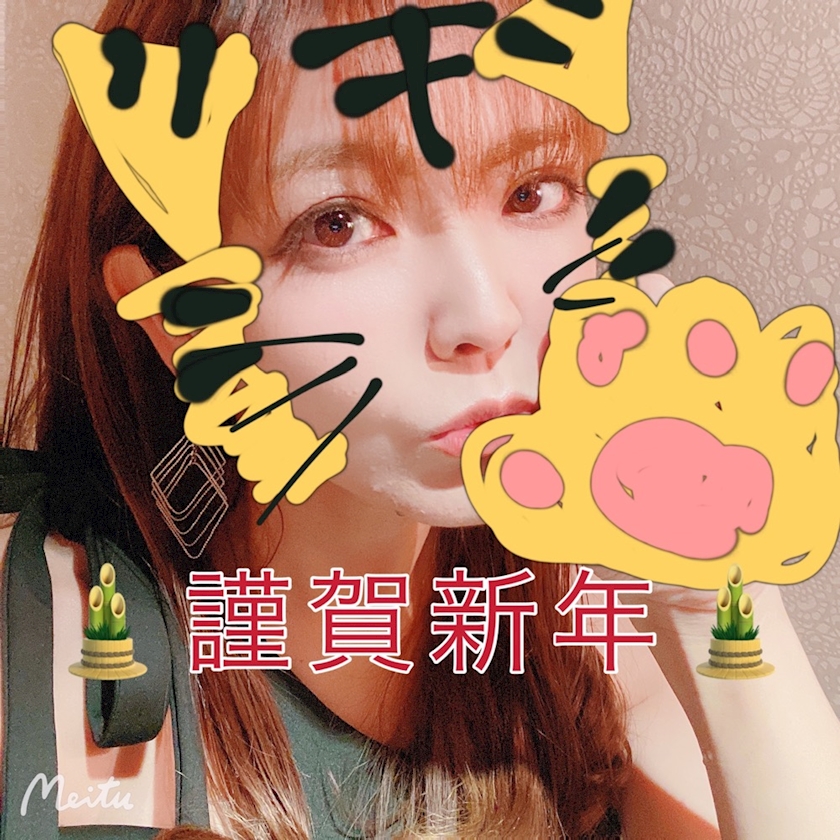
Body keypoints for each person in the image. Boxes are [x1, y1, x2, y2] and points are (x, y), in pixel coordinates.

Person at [1, 1, 839, 838]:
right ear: (180, 319)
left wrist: (714, 591)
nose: (485, 315)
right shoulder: (62, 652)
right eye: (338, 224)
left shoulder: (585, 652)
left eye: (531, 192)